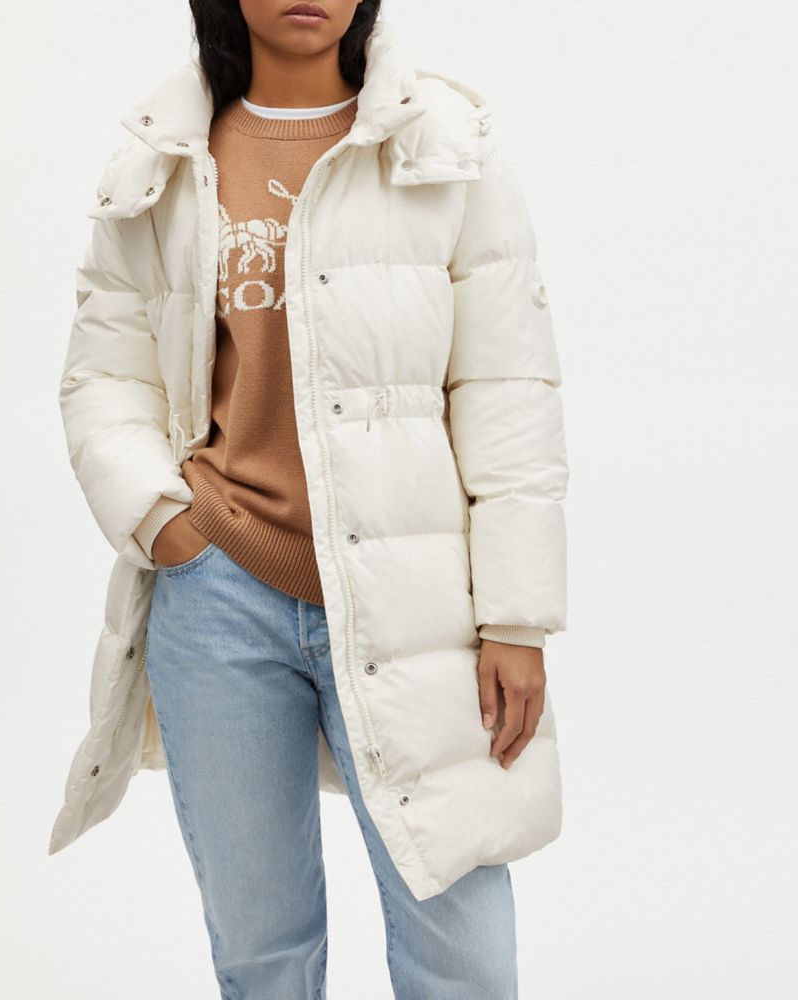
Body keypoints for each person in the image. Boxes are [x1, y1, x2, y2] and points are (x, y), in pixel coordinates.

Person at [50, 2, 569, 997]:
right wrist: (167, 526)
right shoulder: (162, 157)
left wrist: (515, 616)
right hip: (218, 596)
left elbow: (508, 391)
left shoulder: (445, 146)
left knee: (461, 949)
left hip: (416, 603)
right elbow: (103, 374)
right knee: (262, 949)